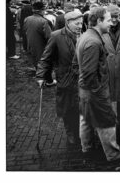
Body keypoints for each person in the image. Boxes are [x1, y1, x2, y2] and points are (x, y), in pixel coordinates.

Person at [74, 7, 120, 165]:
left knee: (86, 120)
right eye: (108, 20)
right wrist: (98, 93)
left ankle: (87, 149)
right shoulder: (94, 42)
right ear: (99, 21)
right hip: (95, 92)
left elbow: (77, 66)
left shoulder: (85, 36)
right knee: (107, 122)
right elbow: (89, 74)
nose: (111, 23)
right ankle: (114, 157)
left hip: (85, 91)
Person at [36, 11, 83, 145]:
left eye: (81, 23)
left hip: (81, 78)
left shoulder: (84, 35)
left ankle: (81, 131)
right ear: (68, 22)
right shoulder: (56, 36)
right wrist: (40, 76)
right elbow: (46, 58)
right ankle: (70, 132)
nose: (80, 26)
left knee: (81, 106)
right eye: (77, 23)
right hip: (65, 78)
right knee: (67, 107)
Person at [101, 5, 120, 152]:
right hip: (106, 73)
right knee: (107, 102)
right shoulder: (101, 32)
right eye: (111, 16)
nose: (113, 19)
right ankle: (108, 133)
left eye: (116, 16)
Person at [24, 2, 55, 85]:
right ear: (41, 10)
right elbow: (49, 37)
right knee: (46, 63)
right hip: (41, 46)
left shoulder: (27, 19)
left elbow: (25, 31)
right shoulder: (44, 21)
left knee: (36, 62)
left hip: (31, 45)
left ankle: (41, 78)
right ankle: (48, 81)